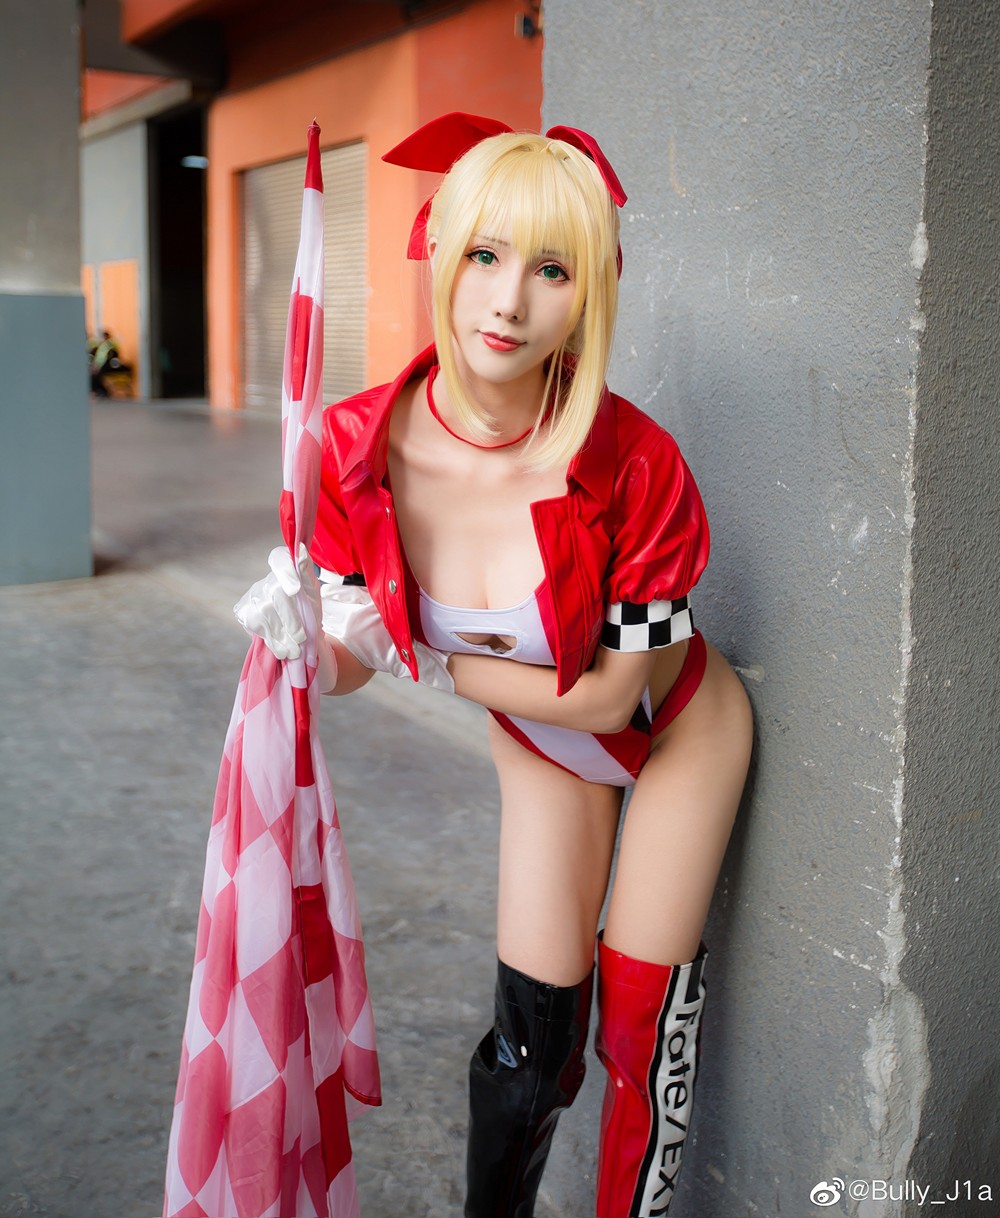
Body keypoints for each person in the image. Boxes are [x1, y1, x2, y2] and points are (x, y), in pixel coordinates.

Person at [236, 112, 752, 1218]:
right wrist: (309, 646)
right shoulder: (353, 449)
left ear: (592, 291)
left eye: (552, 270)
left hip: (676, 736)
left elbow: (610, 697)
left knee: (637, 1027)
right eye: (485, 255)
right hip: (544, 747)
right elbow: (356, 654)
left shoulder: (638, 461)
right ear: (439, 250)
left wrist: (415, 655)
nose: (509, 301)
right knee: (531, 1049)